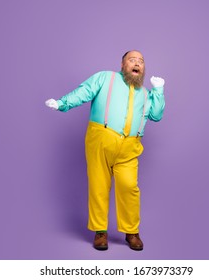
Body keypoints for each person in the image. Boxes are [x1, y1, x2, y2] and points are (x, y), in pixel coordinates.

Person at [45, 50, 165, 251]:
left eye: (141, 61)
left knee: (129, 187)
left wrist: (159, 91)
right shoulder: (105, 78)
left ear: (143, 68)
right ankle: (100, 231)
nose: (137, 63)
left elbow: (156, 115)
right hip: (100, 139)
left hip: (130, 147)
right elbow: (84, 91)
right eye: (132, 60)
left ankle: (131, 232)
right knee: (99, 185)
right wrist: (62, 103)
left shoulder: (146, 94)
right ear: (122, 65)